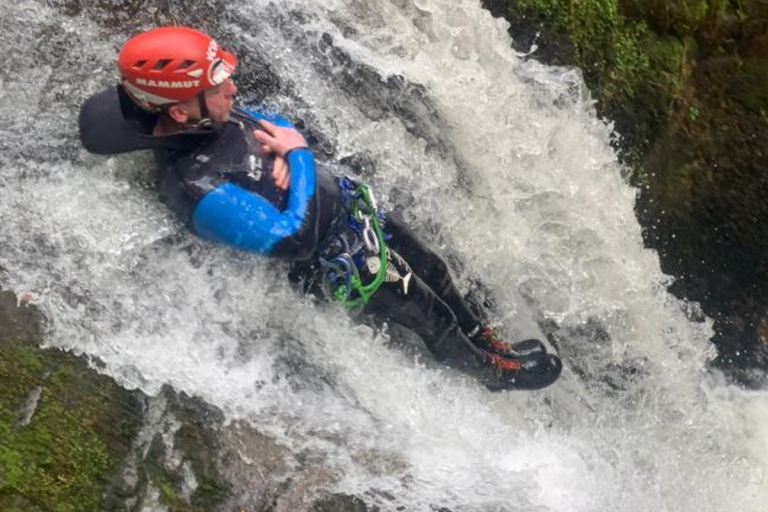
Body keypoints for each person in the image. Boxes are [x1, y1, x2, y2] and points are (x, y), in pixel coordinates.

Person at [78, 26, 562, 391]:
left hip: (350, 209)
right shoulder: (198, 188)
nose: (233, 89)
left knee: (434, 269)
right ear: (180, 111)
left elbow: (275, 120)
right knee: (427, 317)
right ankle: (492, 374)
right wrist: (297, 155)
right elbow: (296, 238)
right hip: (342, 261)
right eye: (219, 84)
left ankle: (486, 338)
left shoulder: (207, 116)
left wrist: (291, 147)